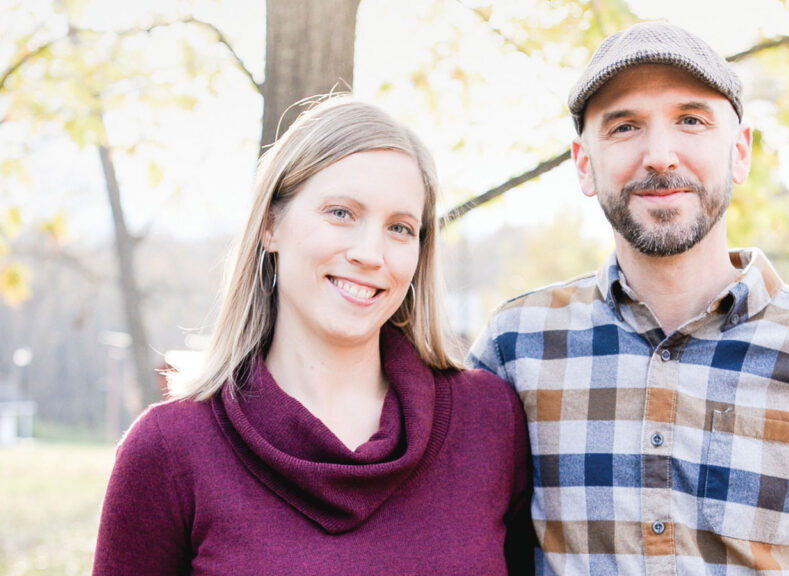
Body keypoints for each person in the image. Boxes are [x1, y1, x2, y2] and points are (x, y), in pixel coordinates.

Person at [470, 22, 789, 575]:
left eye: (690, 120)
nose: (660, 155)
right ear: (584, 164)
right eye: (625, 125)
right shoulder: (517, 348)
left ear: (740, 151)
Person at [94, 97, 533, 575]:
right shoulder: (169, 449)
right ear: (270, 224)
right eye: (341, 213)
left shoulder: (490, 422)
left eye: (400, 227)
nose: (370, 253)